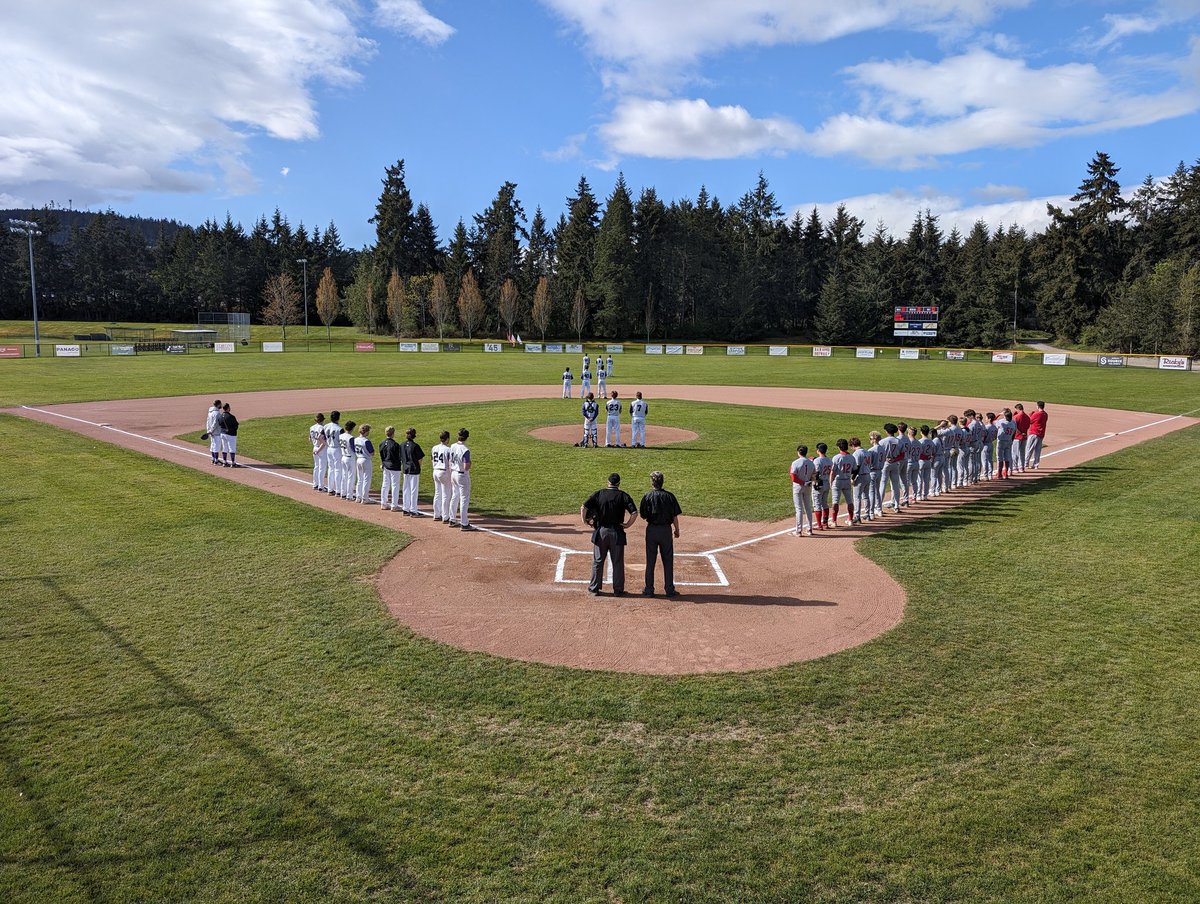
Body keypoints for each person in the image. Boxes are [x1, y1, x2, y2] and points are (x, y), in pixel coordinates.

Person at [581, 472, 638, 596]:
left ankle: (594, 588)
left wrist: (584, 521)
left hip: (601, 532)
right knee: (617, 562)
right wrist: (628, 524)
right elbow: (634, 513)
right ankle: (618, 590)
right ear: (618, 483)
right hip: (617, 533)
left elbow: (584, 507)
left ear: (608, 482)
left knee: (598, 561)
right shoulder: (623, 496)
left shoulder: (599, 494)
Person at [639, 471, 682, 597]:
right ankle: (669, 590)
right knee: (668, 560)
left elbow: (643, 515)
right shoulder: (670, 496)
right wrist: (677, 530)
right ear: (662, 482)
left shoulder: (647, 496)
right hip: (666, 531)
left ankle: (649, 590)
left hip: (652, 531)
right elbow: (674, 516)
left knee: (650, 561)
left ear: (652, 482)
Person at [790, 444, 817, 535]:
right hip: (808, 487)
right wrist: (809, 482)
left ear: (798, 452)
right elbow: (814, 475)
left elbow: (793, 478)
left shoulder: (795, 463)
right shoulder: (811, 463)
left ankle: (798, 531)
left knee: (799, 509)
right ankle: (809, 529)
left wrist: (803, 482)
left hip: (798, 487)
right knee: (808, 508)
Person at [448, 428, 473, 529]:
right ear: (466, 437)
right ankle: (464, 523)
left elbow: (450, 461)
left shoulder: (452, 446)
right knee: (464, 498)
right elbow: (466, 466)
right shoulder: (465, 450)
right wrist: (470, 463)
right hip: (462, 475)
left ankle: (452, 519)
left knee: (455, 496)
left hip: (453, 473)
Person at [830, 439, 856, 527]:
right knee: (849, 501)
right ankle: (850, 519)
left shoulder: (836, 457)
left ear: (839, 447)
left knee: (835, 501)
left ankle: (834, 521)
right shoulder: (852, 457)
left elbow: (832, 472)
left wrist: (831, 482)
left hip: (838, 481)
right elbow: (854, 469)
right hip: (847, 480)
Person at [400, 427, 425, 516]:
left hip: (405, 469)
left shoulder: (402, 445)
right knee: (413, 490)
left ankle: (405, 509)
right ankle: (413, 510)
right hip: (414, 470)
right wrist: (418, 467)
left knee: (406, 489)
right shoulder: (415, 446)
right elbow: (420, 459)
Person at [878, 423, 902, 512]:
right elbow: (902, 454)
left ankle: (879, 507)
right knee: (896, 485)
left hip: (885, 464)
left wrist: (885, 459)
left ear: (886, 431)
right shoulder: (899, 441)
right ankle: (896, 506)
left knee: (883, 484)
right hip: (895, 463)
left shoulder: (882, 441)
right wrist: (895, 459)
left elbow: (879, 454)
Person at [430, 430, 452, 521]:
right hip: (444, 471)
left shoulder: (434, 448)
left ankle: (436, 514)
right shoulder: (448, 449)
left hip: (435, 471)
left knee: (437, 493)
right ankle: (445, 516)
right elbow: (450, 463)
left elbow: (432, 460)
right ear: (447, 439)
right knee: (446, 494)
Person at [811, 442, 834, 530]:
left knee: (817, 504)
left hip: (819, 483)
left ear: (818, 450)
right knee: (825, 503)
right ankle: (825, 523)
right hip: (827, 483)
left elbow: (816, 473)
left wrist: (815, 483)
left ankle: (819, 525)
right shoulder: (830, 460)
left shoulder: (817, 460)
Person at [379, 426, 402, 511]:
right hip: (394, 467)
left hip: (386, 466)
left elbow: (382, 455)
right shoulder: (395, 444)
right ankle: (394, 505)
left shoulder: (382, 443)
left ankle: (383, 503)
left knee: (385, 484)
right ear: (393, 433)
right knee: (395, 485)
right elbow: (399, 457)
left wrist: (383, 463)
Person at [850, 438, 873, 524]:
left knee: (857, 497)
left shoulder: (857, 453)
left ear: (853, 445)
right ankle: (867, 514)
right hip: (868, 475)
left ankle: (857, 516)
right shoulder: (867, 451)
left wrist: (853, 478)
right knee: (866, 496)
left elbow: (857, 467)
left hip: (860, 477)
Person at [353, 424, 374, 503]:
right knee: (366, 479)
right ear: (366, 432)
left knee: (360, 479)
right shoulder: (366, 441)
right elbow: (372, 452)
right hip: (366, 460)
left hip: (358, 459)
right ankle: (365, 498)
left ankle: (358, 497)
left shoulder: (355, 439)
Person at [324, 410, 342, 496]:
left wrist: (326, 444)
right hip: (337, 449)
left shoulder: (326, 426)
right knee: (338, 469)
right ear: (338, 418)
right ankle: (338, 490)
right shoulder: (339, 429)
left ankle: (330, 489)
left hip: (329, 449)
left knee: (331, 469)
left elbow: (321, 437)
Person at [994, 408, 1017, 479]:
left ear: (1005, 416)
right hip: (1009, 441)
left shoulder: (1001, 422)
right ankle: (1006, 474)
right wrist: (1011, 440)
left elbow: (992, 421)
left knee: (999, 458)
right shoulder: (1013, 423)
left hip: (1001, 441)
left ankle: (999, 474)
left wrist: (999, 414)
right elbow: (1014, 433)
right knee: (1007, 458)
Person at [1026, 401, 1048, 469]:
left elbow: (1029, 421)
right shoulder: (1045, 414)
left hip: (1034, 433)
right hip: (1041, 434)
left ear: (1038, 406)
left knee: (1029, 449)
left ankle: (1025, 463)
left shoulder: (1036, 414)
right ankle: (1036, 465)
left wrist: (1031, 414)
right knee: (1038, 450)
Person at [338, 420, 356, 499]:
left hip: (343, 457)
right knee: (351, 477)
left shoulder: (341, 435)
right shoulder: (351, 438)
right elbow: (354, 449)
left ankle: (343, 493)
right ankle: (349, 495)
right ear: (352, 428)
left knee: (344, 476)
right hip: (350, 458)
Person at [218, 403, 239, 467]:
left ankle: (224, 462)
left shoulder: (220, 416)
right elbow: (236, 426)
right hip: (230, 434)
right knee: (232, 448)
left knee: (225, 448)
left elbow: (219, 424)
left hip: (222, 433)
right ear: (228, 408)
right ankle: (233, 463)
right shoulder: (231, 417)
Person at [309, 413, 327, 490]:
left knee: (316, 467)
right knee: (322, 468)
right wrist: (319, 450)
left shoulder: (311, 427)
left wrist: (315, 446)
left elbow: (309, 439)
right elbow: (323, 442)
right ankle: (321, 486)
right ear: (322, 420)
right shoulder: (323, 428)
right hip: (321, 449)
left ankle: (315, 484)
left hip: (315, 447)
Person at [1012, 403, 1031, 473]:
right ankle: (1021, 467)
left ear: (1017, 409)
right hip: (1024, 436)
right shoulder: (1027, 417)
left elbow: (1014, 427)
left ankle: (1015, 467)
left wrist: (1020, 433)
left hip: (1017, 437)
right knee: (1022, 453)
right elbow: (1028, 426)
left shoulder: (1016, 417)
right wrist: (1023, 432)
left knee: (1015, 453)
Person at [205, 399, 223, 465]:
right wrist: (211, 430)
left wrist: (208, 430)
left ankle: (213, 459)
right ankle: (216, 460)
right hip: (216, 432)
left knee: (212, 446)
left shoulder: (210, 412)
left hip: (211, 432)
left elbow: (207, 422)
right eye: (220, 404)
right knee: (216, 447)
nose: (221, 405)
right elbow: (215, 424)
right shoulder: (217, 413)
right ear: (218, 405)